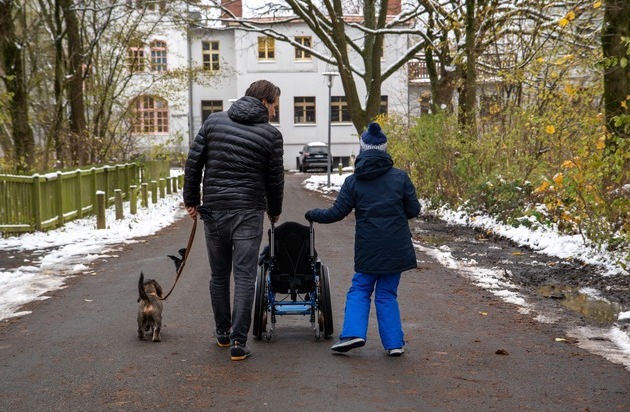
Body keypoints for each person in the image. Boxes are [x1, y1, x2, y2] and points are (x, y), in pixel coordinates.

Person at [183, 80, 284, 361]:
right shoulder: (270, 136)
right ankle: (239, 342)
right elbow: (275, 180)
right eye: (275, 105)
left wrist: (191, 200)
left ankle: (222, 334)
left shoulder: (214, 122)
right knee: (244, 276)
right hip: (249, 213)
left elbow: (194, 162)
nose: (275, 112)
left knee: (218, 275)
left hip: (214, 210)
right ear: (264, 102)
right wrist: (274, 211)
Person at [304, 122, 420, 356]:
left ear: (362, 150)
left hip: (369, 247)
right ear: (384, 150)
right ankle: (394, 344)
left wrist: (313, 214)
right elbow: (414, 209)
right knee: (387, 293)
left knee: (360, 288)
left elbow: (336, 213)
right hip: (397, 247)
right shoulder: (400, 178)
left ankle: (353, 334)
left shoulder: (354, 181)